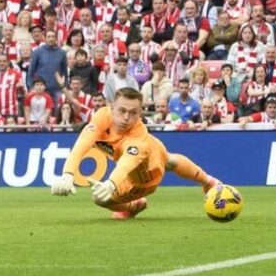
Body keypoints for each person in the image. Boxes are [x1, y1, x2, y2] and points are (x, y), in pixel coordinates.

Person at [51, 88, 219, 219]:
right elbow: (82, 144)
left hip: (145, 176)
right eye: (122, 110)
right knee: (170, 160)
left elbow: (125, 165)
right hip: (151, 147)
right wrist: (67, 175)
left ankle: (134, 205)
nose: (126, 117)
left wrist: (111, 183)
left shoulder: (138, 139)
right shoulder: (102, 116)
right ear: (111, 107)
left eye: (133, 113)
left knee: (101, 198)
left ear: (140, 112)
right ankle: (208, 181)